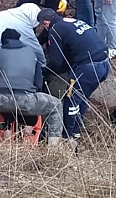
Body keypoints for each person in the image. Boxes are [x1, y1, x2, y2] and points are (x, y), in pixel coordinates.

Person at [0, 29, 64, 146]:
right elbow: (38, 84)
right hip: (27, 100)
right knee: (56, 105)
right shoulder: (32, 54)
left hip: (1, 100)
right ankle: (53, 148)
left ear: (3, 42)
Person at [37, 8, 110, 139]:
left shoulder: (55, 30)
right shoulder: (71, 22)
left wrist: (45, 71)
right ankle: (76, 129)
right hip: (105, 63)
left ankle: (67, 135)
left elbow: (57, 62)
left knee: (71, 100)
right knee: (82, 97)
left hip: (88, 67)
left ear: (46, 23)